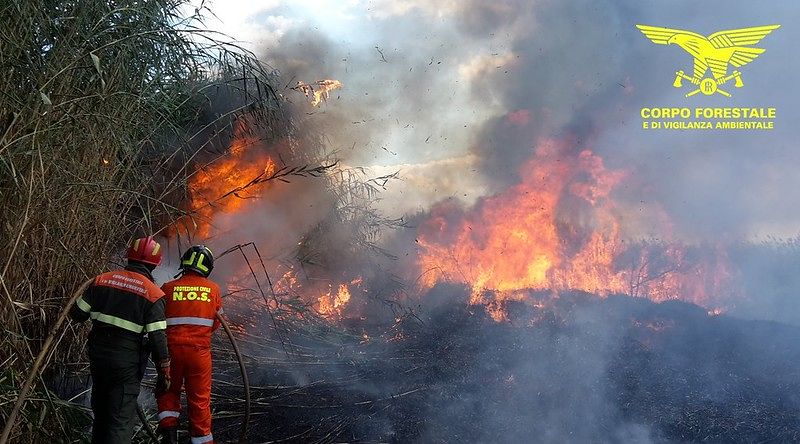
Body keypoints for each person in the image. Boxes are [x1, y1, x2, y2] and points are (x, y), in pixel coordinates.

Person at [70, 236, 171, 444]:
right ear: (154, 264)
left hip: (98, 357)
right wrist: (165, 371)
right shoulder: (154, 295)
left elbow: (78, 313)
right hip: (126, 363)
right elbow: (158, 339)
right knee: (120, 421)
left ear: (129, 256)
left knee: (102, 413)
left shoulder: (102, 280)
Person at [157, 245, 222, 444]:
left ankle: (169, 436)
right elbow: (216, 323)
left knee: (168, 390)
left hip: (171, 352)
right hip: (199, 354)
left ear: (184, 262)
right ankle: (202, 440)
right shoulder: (213, 289)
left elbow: (157, 322)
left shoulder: (167, 288)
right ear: (208, 267)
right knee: (200, 400)